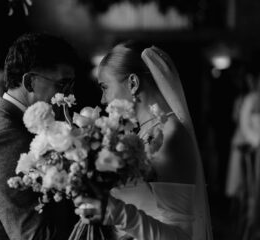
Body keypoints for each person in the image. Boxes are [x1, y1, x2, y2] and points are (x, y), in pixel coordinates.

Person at [74, 44, 213, 240]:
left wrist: (116, 213)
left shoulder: (169, 135)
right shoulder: (141, 135)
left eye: (105, 87)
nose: (103, 100)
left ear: (132, 83)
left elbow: (181, 236)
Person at [0, 33, 79, 240]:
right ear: (30, 82)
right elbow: (35, 236)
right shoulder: (4, 140)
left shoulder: (4, 123)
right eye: (62, 85)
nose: (69, 97)